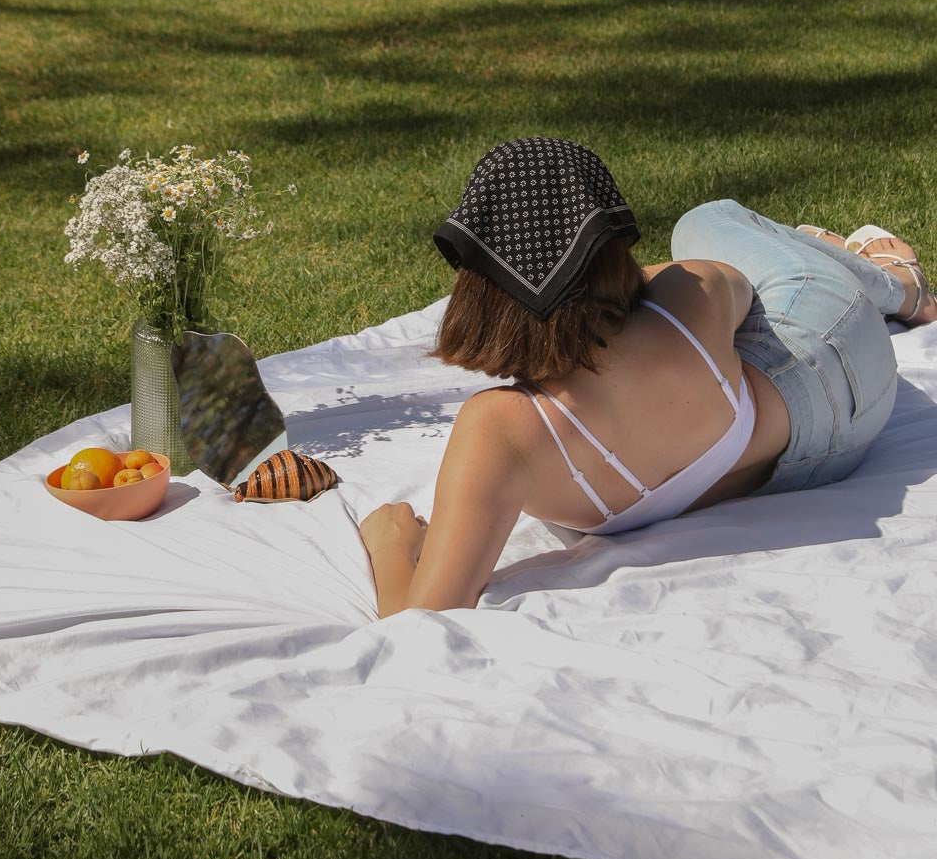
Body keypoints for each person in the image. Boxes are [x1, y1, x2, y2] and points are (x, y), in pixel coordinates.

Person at [359, 137, 935, 618]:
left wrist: (391, 546)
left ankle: (900, 284)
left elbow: (422, 623)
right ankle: (891, 284)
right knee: (707, 221)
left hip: (813, 461)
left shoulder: (502, 431)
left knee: (720, 234)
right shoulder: (691, 292)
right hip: (843, 359)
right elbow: (739, 290)